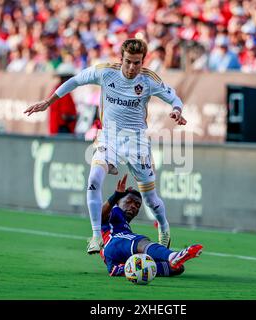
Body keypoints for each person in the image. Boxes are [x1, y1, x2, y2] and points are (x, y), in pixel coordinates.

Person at [24, 38, 187, 254]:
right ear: (121, 59)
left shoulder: (149, 80)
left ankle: (164, 228)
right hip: (108, 137)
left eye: (137, 63)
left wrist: (177, 110)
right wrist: (48, 102)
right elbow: (75, 81)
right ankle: (95, 236)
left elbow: (175, 98)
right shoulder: (105, 72)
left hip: (136, 142)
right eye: (128, 61)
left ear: (142, 62)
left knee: (149, 198)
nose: (132, 68)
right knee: (93, 179)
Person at [100, 174, 203, 277]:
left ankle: (124, 269)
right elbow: (99, 215)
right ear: (118, 202)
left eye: (137, 205)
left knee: (177, 268)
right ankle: (172, 255)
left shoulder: (122, 225)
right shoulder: (115, 210)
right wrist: (115, 196)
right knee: (140, 241)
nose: (133, 206)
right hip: (114, 243)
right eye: (129, 201)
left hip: (115, 257)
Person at [49, 63, 78, 135]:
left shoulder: (55, 90)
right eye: (70, 78)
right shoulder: (64, 93)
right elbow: (65, 116)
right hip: (62, 129)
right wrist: (77, 117)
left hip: (55, 129)